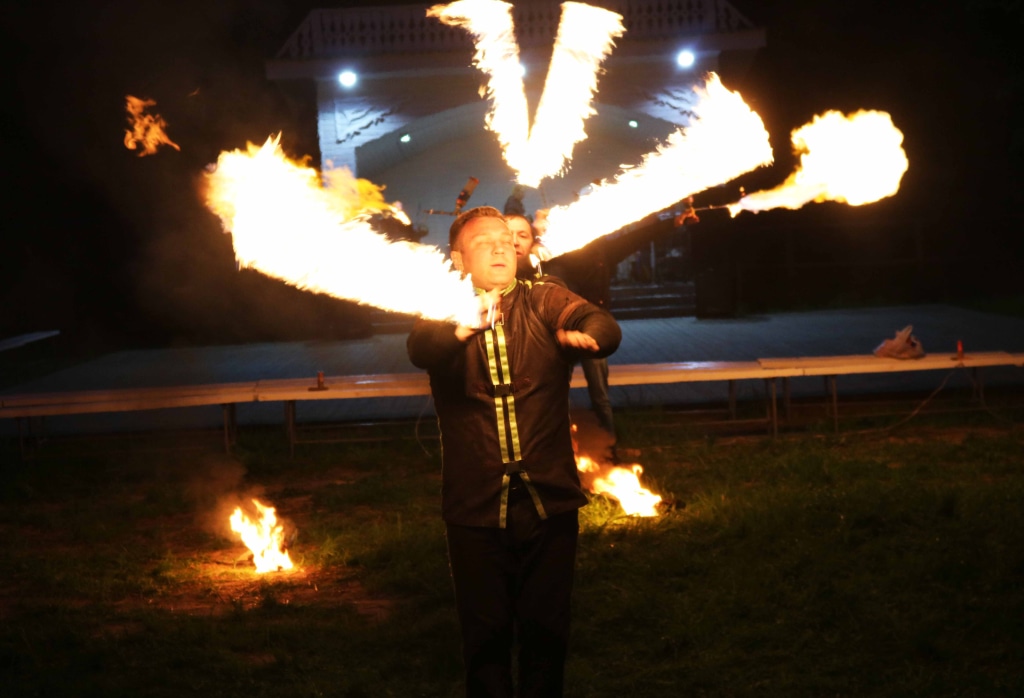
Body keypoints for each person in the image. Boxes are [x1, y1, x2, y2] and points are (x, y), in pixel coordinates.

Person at [407, 206, 621, 698]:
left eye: (505, 240)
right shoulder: (440, 309)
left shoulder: (544, 297)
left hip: (549, 499)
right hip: (476, 506)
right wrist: (461, 325)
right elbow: (422, 347)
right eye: (484, 242)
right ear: (458, 259)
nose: (500, 247)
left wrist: (593, 336)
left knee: (547, 633)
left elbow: (599, 320)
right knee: (485, 641)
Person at [506, 213, 539, 279]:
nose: (515, 242)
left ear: (533, 243)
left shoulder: (543, 277)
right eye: (507, 235)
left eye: (523, 236)